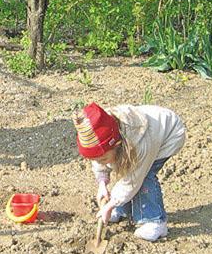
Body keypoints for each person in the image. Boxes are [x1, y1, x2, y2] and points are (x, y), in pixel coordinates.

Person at [74, 102, 186, 241]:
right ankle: (123, 209)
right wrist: (102, 184)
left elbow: (133, 179)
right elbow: (98, 158)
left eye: (103, 158)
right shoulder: (98, 132)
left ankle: (154, 221)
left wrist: (110, 204)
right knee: (123, 169)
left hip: (169, 135)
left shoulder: (140, 143)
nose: (100, 161)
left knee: (144, 176)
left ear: (116, 145)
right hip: (146, 137)